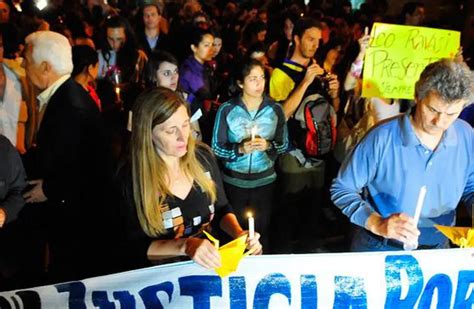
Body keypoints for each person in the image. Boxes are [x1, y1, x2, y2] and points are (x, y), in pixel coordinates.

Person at [331, 59, 474, 252]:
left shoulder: (466, 135)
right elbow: (342, 188)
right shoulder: (382, 137)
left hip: (439, 248)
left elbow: (470, 186)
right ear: (417, 95)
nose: (440, 122)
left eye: (451, 113)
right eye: (432, 109)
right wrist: (376, 222)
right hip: (380, 246)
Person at [115, 87, 262, 271]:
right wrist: (186, 246)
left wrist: (239, 234)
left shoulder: (202, 157)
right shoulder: (131, 177)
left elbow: (222, 208)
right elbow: (133, 248)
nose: (183, 136)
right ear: (148, 133)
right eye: (171, 131)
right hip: (162, 282)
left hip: (210, 269)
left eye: (185, 125)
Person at [22, 31, 109, 281]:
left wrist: (49, 189)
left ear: (45, 67)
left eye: (27, 61)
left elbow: (85, 166)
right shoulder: (67, 95)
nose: (24, 66)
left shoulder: (69, 106)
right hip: (71, 208)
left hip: (77, 218)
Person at [269, 17, 340, 252]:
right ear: (296, 38)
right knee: (288, 212)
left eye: (318, 41)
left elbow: (332, 113)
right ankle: (282, 257)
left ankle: (310, 252)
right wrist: (306, 81)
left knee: (312, 210)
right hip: (293, 155)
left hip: (318, 153)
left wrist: (335, 94)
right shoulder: (281, 74)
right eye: (310, 39)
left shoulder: (318, 71)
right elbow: (281, 115)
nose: (314, 45)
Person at [212, 59, 288, 250]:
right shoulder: (228, 109)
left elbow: (284, 145)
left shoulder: (275, 109)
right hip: (233, 184)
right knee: (233, 235)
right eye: (252, 79)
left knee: (261, 235)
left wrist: (268, 145)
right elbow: (215, 148)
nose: (259, 83)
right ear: (240, 82)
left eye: (262, 78)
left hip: (265, 183)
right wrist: (239, 149)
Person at [72, 44, 101, 111]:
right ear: (90, 68)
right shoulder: (83, 96)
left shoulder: (67, 88)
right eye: (97, 66)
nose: (98, 69)